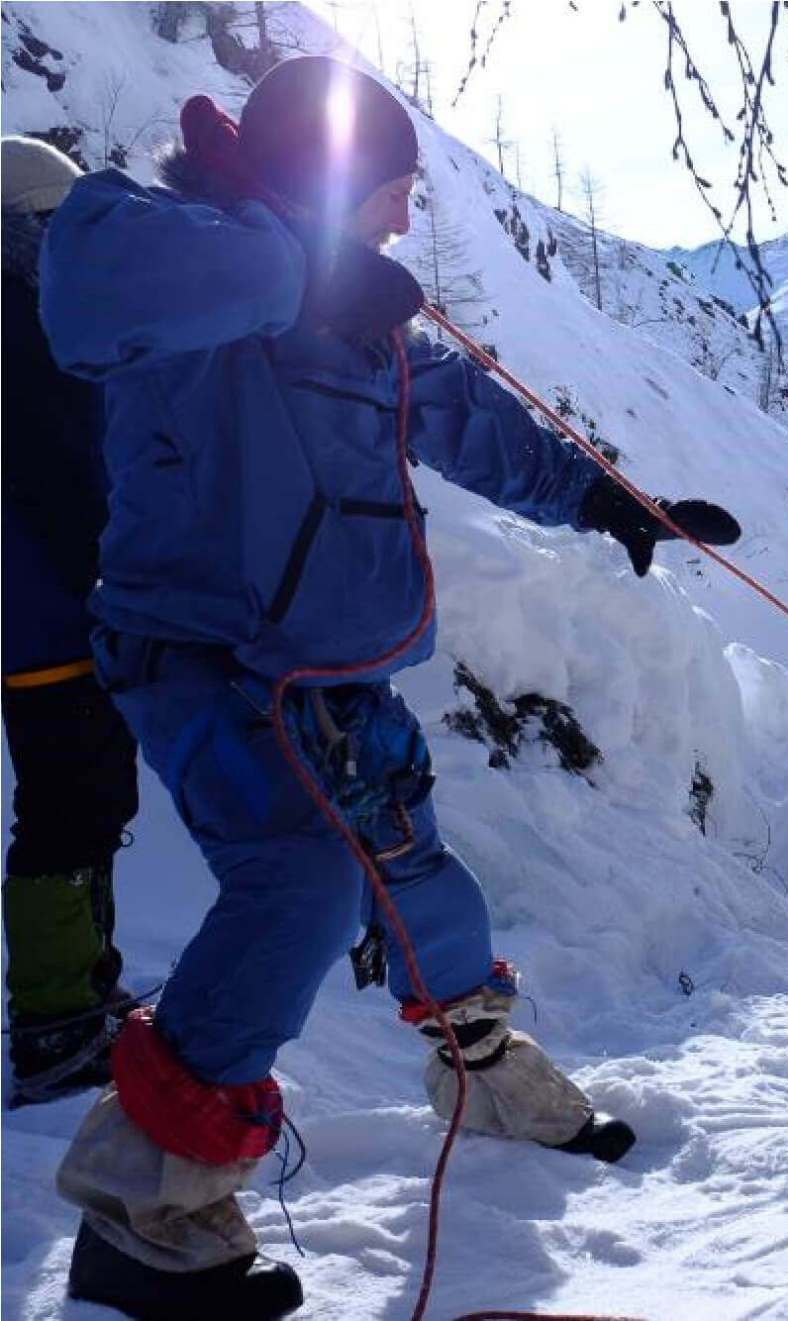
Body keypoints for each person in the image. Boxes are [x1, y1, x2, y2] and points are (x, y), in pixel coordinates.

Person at [36, 57, 737, 1319]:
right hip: (213, 664)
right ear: (334, 178)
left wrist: (600, 498)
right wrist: (295, 262)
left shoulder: (359, 320)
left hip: (341, 678)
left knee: (423, 883)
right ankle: (146, 1224)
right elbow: (84, 297)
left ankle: (482, 1076)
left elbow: (464, 411)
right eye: (394, 193)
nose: (405, 223)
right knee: (297, 882)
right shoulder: (160, 241)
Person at [1, 135, 142, 1108]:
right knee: (73, 799)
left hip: (35, 609)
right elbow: (62, 476)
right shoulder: (24, 324)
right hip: (47, 612)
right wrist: (109, 578)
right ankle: (57, 1022)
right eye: (52, 225)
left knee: (81, 797)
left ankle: (81, 996)